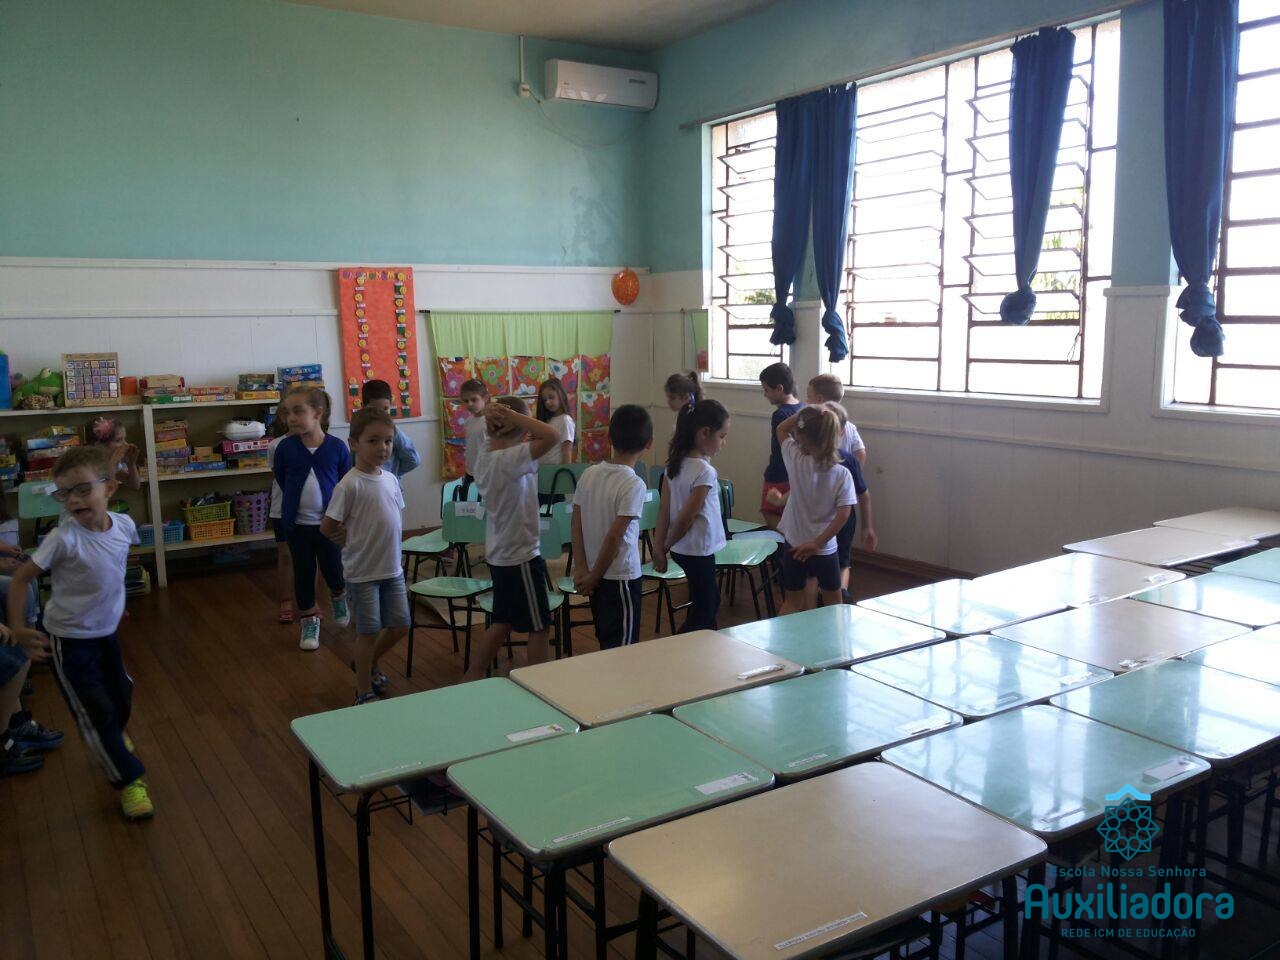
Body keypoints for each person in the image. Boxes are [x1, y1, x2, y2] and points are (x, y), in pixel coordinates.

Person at [5, 446, 151, 817]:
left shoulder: (124, 526)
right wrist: (19, 627)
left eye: (83, 490)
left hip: (106, 634)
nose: (74, 500)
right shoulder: (63, 538)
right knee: (96, 713)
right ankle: (128, 780)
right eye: (65, 493)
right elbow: (20, 580)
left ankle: (113, 740)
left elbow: (109, 570)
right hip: (68, 642)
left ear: (109, 488)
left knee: (120, 698)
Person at [463, 398, 559, 682]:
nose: (529, 432)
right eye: (525, 427)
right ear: (513, 427)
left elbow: (500, 435)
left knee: (503, 622)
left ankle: (472, 675)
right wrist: (514, 416)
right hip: (521, 557)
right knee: (540, 625)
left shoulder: (486, 456)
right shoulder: (510, 459)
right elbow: (552, 436)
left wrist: (506, 417)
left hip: (501, 555)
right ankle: (538, 683)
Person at [321, 408, 410, 704]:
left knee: (400, 625)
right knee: (368, 632)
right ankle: (363, 691)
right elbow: (327, 525)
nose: (382, 447)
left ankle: (367, 663)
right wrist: (341, 536)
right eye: (373, 441)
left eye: (388, 441)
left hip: (392, 570)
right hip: (362, 574)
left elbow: (393, 518)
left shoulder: (391, 479)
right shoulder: (350, 484)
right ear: (354, 444)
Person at [273, 386, 351, 651]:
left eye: (298, 411)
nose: (291, 418)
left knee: (333, 568)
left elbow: (345, 483)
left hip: (329, 526)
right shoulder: (285, 448)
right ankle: (309, 620)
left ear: (317, 413)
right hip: (298, 527)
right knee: (303, 573)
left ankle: (339, 595)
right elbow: (282, 479)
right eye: (287, 413)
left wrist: (343, 521)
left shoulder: (337, 447)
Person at [571, 405, 653, 649]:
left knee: (607, 644)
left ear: (609, 438)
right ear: (649, 443)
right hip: (620, 578)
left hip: (596, 576)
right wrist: (592, 576)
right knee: (623, 650)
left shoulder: (588, 474)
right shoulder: (634, 483)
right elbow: (615, 536)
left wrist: (582, 568)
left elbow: (576, 523)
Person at [652, 399, 729, 632]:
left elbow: (664, 510)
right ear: (705, 433)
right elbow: (686, 518)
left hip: (683, 549)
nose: (724, 443)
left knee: (705, 601)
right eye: (722, 436)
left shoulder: (674, 466)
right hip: (698, 549)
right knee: (706, 609)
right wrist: (664, 546)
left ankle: (700, 643)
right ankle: (686, 644)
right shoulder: (705, 471)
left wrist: (659, 546)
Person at [774, 404, 855, 614]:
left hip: (795, 545)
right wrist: (817, 543)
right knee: (834, 603)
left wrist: (806, 413)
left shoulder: (795, 459)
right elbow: (844, 514)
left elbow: (781, 429)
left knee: (792, 602)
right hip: (824, 548)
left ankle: (784, 637)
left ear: (803, 439)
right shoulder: (842, 474)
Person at [758, 362, 803, 530]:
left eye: (766, 390)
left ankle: (792, 541)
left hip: (778, 474)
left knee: (770, 512)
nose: (765, 394)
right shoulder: (803, 407)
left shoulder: (781, 414)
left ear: (779, 388)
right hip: (795, 474)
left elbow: (782, 447)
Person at [359, 379, 421, 486]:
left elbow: (413, 460)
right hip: (365, 489)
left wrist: (392, 475)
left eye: (385, 409)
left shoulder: (394, 432)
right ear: (363, 407)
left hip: (390, 489)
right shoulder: (359, 431)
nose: (380, 415)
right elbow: (352, 464)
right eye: (374, 410)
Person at [807, 373, 866, 465]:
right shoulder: (850, 426)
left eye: (809, 397)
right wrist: (854, 471)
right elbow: (861, 453)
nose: (807, 401)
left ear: (819, 399)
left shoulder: (815, 425)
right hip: (845, 471)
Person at [90, 416, 141, 490]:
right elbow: (104, 490)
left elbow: (135, 486)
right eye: (118, 440)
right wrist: (114, 461)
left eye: (124, 439)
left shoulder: (109, 463)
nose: (125, 444)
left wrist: (131, 464)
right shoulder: (90, 465)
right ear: (99, 445)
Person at [459, 378, 489, 499]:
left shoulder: (491, 421)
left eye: (474, 399)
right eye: (466, 401)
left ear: (485, 398)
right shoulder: (469, 422)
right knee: (466, 505)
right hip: (470, 473)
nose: (470, 404)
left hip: (487, 474)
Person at [535, 377, 575, 466]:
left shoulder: (565, 420)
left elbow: (567, 451)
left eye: (551, 397)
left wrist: (564, 472)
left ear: (561, 395)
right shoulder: (548, 420)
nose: (548, 402)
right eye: (544, 400)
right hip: (542, 469)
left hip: (555, 470)